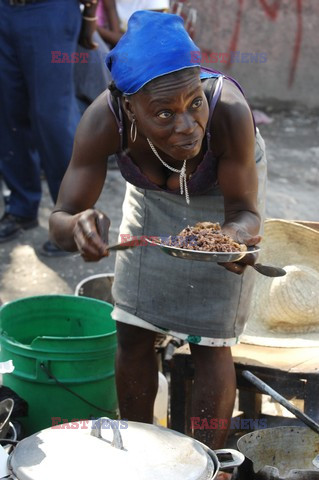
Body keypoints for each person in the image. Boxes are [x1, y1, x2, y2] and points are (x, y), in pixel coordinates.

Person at [49, 11, 267, 457]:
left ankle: (206, 463)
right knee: (132, 325)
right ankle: (138, 454)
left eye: (194, 103)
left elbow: (245, 211)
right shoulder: (103, 121)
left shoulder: (227, 113)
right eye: (164, 113)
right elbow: (61, 216)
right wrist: (78, 227)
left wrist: (231, 239)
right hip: (151, 200)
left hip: (219, 200)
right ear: (129, 107)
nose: (187, 126)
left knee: (209, 341)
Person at [0, 0, 98, 254]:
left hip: (49, 10)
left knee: (51, 117)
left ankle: (72, 221)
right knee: (8, 114)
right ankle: (21, 207)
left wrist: (90, 15)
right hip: (5, 9)